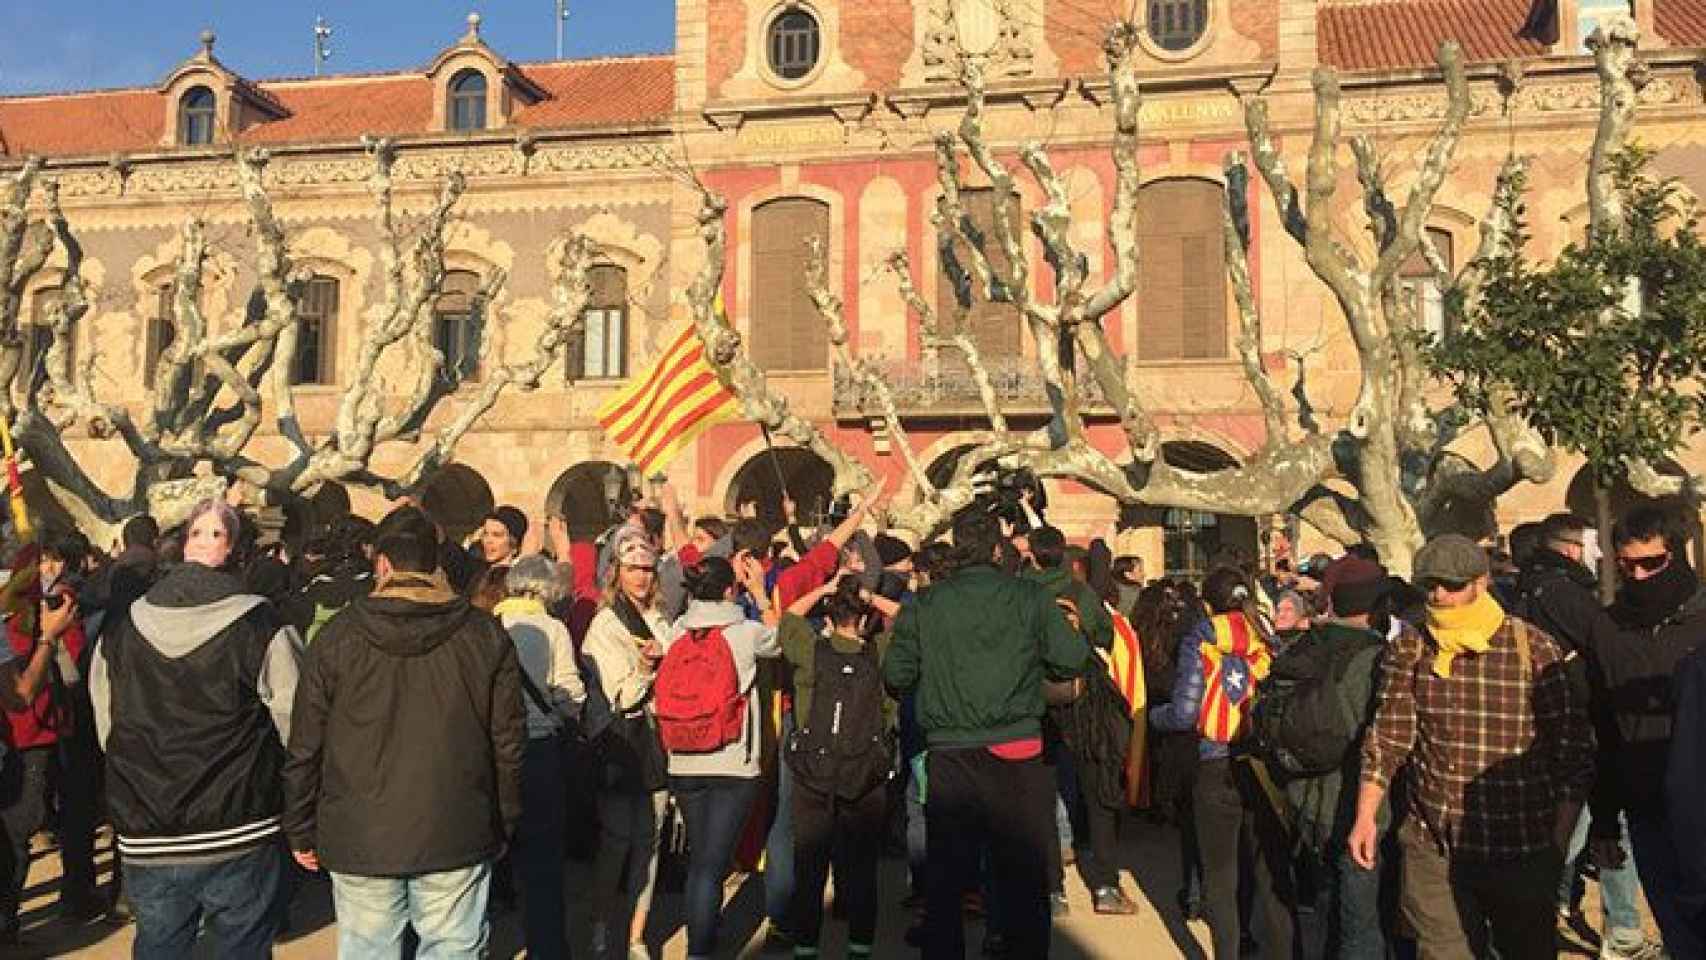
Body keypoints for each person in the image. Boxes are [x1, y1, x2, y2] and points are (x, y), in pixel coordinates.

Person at [283, 505, 524, 958]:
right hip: (456, 823)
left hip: (363, 829)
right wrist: (503, 818)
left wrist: (299, 824)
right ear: (435, 564)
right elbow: (508, 744)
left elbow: (306, 743)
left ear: (383, 564)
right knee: (453, 948)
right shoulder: (483, 636)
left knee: (370, 949)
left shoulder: (337, 637)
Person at [1350, 533, 1593, 960]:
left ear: (1480, 583)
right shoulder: (1411, 646)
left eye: (1452, 584)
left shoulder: (1531, 647)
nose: (1440, 594)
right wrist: (1366, 815)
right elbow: (1388, 737)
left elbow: (1572, 751)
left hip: (1521, 845)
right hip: (1435, 847)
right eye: (1431, 584)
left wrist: (1557, 844)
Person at [90, 498, 303, 957]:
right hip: (239, 822)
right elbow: (296, 724)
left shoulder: (121, 629)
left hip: (148, 824)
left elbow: (107, 725)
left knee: (159, 944)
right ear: (241, 552)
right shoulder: (261, 624)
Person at [884, 509, 1091, 960]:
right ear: (998, 550)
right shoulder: (1029, 597)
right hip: (1016, 748)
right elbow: (1073, 658)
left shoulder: (926, 604)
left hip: (950, 751)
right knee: (1021, 873)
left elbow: (896, 673)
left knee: (945, 876)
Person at [1516, 513, 1656, 959]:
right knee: (1603, 829)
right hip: (1582, 723)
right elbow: (1607, 645)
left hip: (1556, 724)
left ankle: (1548, 902)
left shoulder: (1531, 585)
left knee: (1573, 826)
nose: (1600, 556)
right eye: (1593, 545)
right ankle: (1622, 933)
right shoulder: (1561, 592)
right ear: (1572, 548)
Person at [1150, 566, 1294, 960]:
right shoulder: (1267, 637)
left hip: (1214, 762)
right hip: (1263, 763)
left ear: (1207, 602)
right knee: (1269, 871)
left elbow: (1183, 714)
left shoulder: (1201, 637)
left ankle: (1228, 952)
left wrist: (1151, 717)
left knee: (1219, 873)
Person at [1583, 507, 1706, 959]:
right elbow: (1601, 725)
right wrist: (1603, 820)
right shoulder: (1607, 628)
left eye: (1651, 563)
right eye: (1626, 565)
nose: (1638, 575)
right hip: (1646, 809)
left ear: (1677, 555)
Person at [659, 554, 780, 960]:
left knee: (701, 860)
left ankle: (702, 932)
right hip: (732, 760)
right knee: (713, 863)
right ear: (731, 590)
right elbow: (780, 637)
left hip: (683, 758)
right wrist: (761, 594)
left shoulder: (677, 630)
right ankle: (701, 948)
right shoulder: (745, 632)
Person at [1270, 555, 1390, 960]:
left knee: (1323, 905)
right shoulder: (1376, 658)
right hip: (1361, 805)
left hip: (1305, 795)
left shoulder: (1304, 644)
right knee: (1362, 924)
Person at [780, 574, 894, 959]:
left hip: (815, 771)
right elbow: (914, 619)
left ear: (828, 616)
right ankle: (859, 947)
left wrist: (823, 590)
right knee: (862, 869)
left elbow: (788, 618)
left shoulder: (810, 651)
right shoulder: (880, 651)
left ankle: (806, 947)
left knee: (809, 868)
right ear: (863, 619)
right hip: (864, 775)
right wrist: (873, 597)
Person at [1023, 525, 1134, 916]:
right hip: (1083, 700)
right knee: (1097, 790)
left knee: (1039, 798)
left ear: (1032, 556)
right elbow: (1105, 635)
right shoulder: (1079, 592)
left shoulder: (1020, 593)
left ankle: (1052, 891)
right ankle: (1105, 886)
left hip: (1032, 702)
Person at [582, 532, 673, 960]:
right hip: (621, 744)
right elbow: (620, 697)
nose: (640, 576)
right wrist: (644, 666)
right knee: (617, 841)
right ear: (616, 572)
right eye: (632, 568)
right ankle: (601, 924)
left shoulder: (661, 618)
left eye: (647, 569)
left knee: (650, 841)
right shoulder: (605, 625)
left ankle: (637, 935)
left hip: (658, 742)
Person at [496, 554, 584, 960]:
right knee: (543, 860)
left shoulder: (486, 623)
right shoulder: (552, 629)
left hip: (494, 750)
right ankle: (547, 947)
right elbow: (570, 694)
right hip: (538, 749)